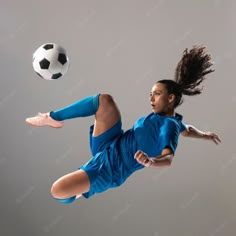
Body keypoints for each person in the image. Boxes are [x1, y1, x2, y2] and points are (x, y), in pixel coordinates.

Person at [25, 45, 221, 204]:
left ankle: (80, 192)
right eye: (150, 94)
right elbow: (188, 129)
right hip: (110, 142)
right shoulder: (176, 123)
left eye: (157, 94)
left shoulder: (169, 126)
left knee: (57, 190)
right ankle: (53, 117)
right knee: (104, 101)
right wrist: (205, 134)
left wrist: (151, 162)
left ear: (170, 98)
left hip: (111, 168)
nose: (151, 98)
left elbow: (168, 158)